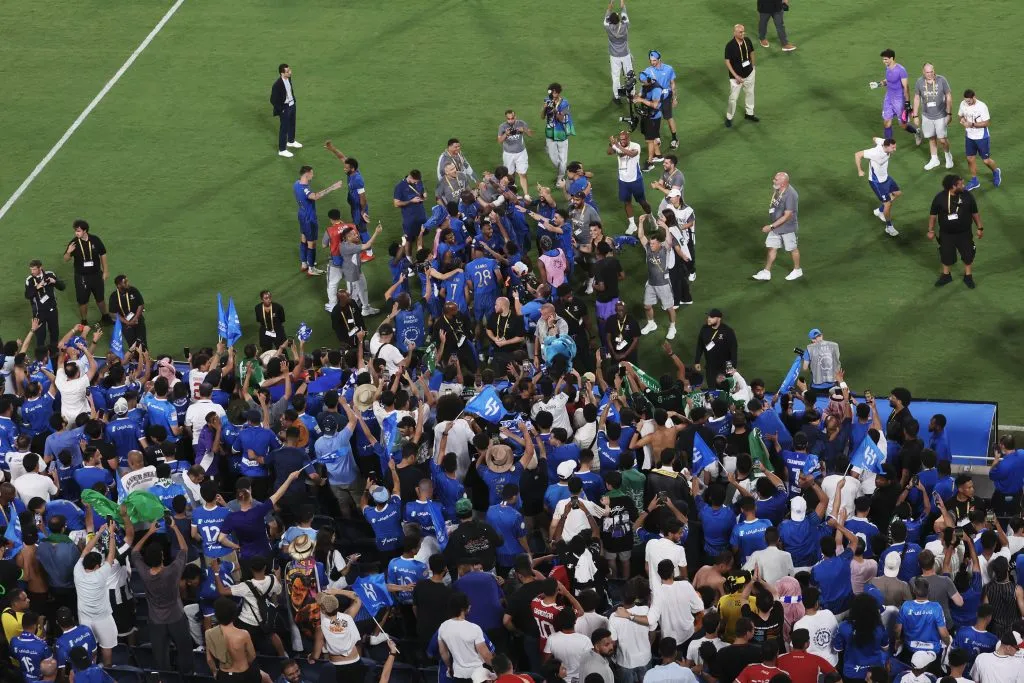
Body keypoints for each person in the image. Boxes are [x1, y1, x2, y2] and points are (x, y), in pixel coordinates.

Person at [131, 516, 195, 675]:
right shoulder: (172, 571)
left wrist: (149, 532)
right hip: (176, 617)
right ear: (162, 556)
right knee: (185, 652)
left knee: (161, 659)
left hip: (156, 620)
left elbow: (134, 552)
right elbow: (184, 549)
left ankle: (166, 679)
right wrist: (175, 528)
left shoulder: (145, 573)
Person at [74, 520, 119, 667]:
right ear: (97, 566)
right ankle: (107, 670)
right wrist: (111, 533)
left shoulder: (77, 570)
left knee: (90, 648)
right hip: (103, 618)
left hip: (85, 618)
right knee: (106, 647)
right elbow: (111, 555)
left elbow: (86, 550)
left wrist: (99, 533)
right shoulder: (101, 574)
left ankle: (91, 671)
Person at [927, 174, 983, 288]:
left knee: (968, 255)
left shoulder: (967, 196)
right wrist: (931, 230)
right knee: (946, 254)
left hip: (964, 233)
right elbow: (933, 215)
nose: (963, 185)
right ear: (953, 186)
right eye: (961, 184)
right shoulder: (940, 198)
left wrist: (980, 227)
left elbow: (974, 213)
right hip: (946, 234)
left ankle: (968, 276)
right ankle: (946, 275)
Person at [293, 166, 343, 276]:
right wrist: (332, 187)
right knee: (312, 243)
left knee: (303, 238)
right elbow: (314, 196)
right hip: (309, 218)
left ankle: (304, 263)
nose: (313, 175)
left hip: (301, 214)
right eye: (311, 173)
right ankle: (311, 268)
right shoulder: (305, 189)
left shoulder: (296, 184)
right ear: (306, 174)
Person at [753, 171, 802, 281]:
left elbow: (787, 216)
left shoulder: (791, 195)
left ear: (783, 183)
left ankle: (797, 270)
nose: (773, 181)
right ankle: (766, 272)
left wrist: (771, 227)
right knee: (772, 248)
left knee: (792, 249)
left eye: (776, 180)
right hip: (776, 226)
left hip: (787, 228)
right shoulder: (778, 189)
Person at [63, 220, 112, 326]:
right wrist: (68, 252)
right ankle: (84, 321)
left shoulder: (95, 240)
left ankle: (105, 316)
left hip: (96, 275)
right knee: (83, 301)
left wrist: (106, 271)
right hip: (81, 277)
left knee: (100, 298)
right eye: (75, 231)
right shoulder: (74, 243)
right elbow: (65, 259)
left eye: (78, 231)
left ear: (85, 231)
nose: (76, 233)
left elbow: (103, 254)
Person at [636, 214, 677, 341]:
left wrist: (665, 227)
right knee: (647, 306)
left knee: (669, 308)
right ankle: (651, 323)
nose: (651, 245)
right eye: (651, 243)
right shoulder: (648, 248)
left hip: (663, 284)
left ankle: (672, 327)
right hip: (651, 283)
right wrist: (641, 222)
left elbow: (669, 241)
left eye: (653, 243)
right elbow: (641, 236)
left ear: (659, 243)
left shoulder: (665, 250)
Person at [832, 593, 889, 681]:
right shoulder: (879, 628)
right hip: (875, 672)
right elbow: (885, 648)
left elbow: (837, 649)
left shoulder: (844, 627)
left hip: (852, 673)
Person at [439, 592, 493, 682]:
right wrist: (498, 671)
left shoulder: (443, 627)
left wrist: (449, 667)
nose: (470, 606)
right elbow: (486, 655)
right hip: (478, 675)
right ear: (464, 608)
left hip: (458, 675)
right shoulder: (474, 628)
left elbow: (443, 653)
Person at [205, 597, 262, 683]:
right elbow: (252, 655)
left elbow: (209, 659)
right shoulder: (243, 634)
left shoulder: (209, 633)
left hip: (224, 676)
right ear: (234, 614)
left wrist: (214, 672)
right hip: (244, 674)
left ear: (216, 615)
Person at [855, 137, 901, 237]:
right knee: (888, 205)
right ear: (887, 146)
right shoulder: (875, 153)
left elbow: (874, 138)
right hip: (877, 182)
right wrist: (860, 170)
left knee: (897, 193)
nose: (895, 150)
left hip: (886, 177)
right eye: (893, 148)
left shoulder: (883, 142)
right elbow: (857, 155)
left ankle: (879, 211)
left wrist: (876, 141)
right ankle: (889, 227)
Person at [869, 50, 920, 141]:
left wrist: (907, 103)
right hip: (888, 98)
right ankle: (888, 144)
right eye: (883, 59)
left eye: (886, 59)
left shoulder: (901, 70)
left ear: (892, 58)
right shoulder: (888, 68)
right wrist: (878, 84)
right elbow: (888, 81)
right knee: (887, 122)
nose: (884, 61)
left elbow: (906, 87)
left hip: (899, 100)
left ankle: (916, 132)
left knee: (903, 125)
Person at [912, 64, 954, 171]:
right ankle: (934, 159)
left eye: (931, 72)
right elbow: (917, 98)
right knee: (931, 138)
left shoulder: (941, 80)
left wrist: (949, 113)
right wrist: (915, 115)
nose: (930, 74)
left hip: (941, 115)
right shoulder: (919, 82)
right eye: (927, 72)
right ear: (923, 72)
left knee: (942, 139)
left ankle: (948, 156)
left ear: (934, 70)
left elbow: (948, 96)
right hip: (927, 115)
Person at [608, 130, 651, 235]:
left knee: (642, 202)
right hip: (623, 181)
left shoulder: (636, 146)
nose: (622, 141)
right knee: (627, 202)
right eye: (621, 139)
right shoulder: (618, 145)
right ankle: (632, 224)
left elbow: (631, 154)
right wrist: (611, 144)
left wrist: (618, 145)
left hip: (635, 180)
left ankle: (651, 217)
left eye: (624, 139)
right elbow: (609, 152)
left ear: (628, 138)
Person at [957, 89, 1001, 191]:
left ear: (974, 97)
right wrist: (962, 121)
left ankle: (996, 171)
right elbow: (960, 116)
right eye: (966, 101)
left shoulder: (982, 106)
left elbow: (986, 123)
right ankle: (974, 181)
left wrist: (971, 124)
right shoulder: (963, 104)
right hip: (969, 137)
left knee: (986, 160)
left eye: (969, 101)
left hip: (982, 137)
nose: (967, 103)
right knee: (970, 158)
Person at [25, 260, 65, 353]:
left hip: (52, 309)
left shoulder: (50, 274)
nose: (32, 272)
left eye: (34, 269)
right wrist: (36, 288)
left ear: (40, 268)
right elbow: (27, 295)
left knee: (54, 332)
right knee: (40, 335)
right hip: (39, 312)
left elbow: (62, 287)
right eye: (31, 269)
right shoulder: (29, 280)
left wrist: (54, 281)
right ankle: (41, 356)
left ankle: (54, 353)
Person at [724, 24, 758, 128]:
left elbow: (752, 52)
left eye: (743, 31)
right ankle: (729, 117)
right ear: (734, 32)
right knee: (733, 98)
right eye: (740, 32)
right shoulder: (730, 46)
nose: (742, 33)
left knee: (750, 93)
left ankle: (749, 113)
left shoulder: (747, 40)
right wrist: (736, 76)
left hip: (749, 74)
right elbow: (727, 62)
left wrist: (752, 66)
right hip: (736, 78)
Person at [633, 70, 665, 171]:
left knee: (649, 140)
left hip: (653, 118)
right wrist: (635, 97)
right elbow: (641, 94)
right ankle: (659, 156)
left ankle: (650, 162)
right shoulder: (646, 85)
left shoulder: (656, 89)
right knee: (652, 137)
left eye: (643, 82)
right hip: (647, 115)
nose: (642, 84)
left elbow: (655, 105)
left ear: (649, 80)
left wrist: (641, 100)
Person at [693, 308, 737, 381]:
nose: (709, 319)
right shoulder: (704, 329)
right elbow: (700, 345)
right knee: (712, 388)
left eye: (712, 317)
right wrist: (697, 361)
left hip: (725, 366)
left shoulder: (727, 331)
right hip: (710, 366)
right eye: (708, 317)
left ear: (719, 319)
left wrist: (733, 367)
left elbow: (733, 349)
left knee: (726, 388)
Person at [646, 50, 679, 150]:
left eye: (654, 60)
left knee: (669, 118)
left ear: (659, 59)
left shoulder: (669, 69)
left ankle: (674, 139)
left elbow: (672, 83)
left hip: (666, 97)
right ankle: (657, 137)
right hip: (655, 98)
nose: (652, 62)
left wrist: (674, 98)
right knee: (655, 119)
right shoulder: (648, 71)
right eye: (651, 60)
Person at [543, 84, 574, 184]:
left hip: (561, 134)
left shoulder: (565, 104)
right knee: (553, 158)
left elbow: (562, 118)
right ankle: (565, 170)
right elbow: (542, 117)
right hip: (550, 134)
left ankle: (560, 178)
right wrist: (544, 108)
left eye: (555, 92)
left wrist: (556, 110)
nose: (553, 94)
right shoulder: (547, 100)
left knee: (563, 160)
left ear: (559, 93)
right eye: (552, 92)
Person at [604, 0, 632, 103]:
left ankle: (617, 97)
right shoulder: (625, 25)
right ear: (619, 19)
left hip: (614, 56)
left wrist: (611, 2)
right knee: (629, 74)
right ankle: (631, 96)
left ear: (610, 21)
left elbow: (608, 13)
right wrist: (621, 1)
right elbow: (623, 9)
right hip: (625, 54)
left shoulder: (607, 26)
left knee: (616, 76)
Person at [270, 64, 301, 157]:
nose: (290, 72)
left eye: (289, 70)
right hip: (285, 108)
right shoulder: (277, 84)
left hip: (292, 104)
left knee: (292, 123)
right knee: (284, 129)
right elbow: (272, 100)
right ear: (282, 73)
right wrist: (281, 110)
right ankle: (282, 150)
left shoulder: (289, 79)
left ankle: (291, 141)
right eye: (287, 71)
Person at [107, 275, 146, 347]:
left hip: (138, 320)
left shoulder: (133, 290)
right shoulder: (114, 296)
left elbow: (141, 305)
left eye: (127, 281)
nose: (127, 283)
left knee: (142, 342)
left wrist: (135, 318)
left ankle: (145, 357)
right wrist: (127, 322)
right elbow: (113, 313)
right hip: (125, 324)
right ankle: (134, 358)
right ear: (118, 285)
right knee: (132, 345)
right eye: (125, 282)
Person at [498, 110, 533, 190]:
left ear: (515, 117)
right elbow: (499, 141)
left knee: (522, 174)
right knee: (510, 174)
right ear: (506, 118)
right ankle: (512, 187)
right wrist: (505, 134)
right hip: (508, 154)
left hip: (521, 153)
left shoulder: (521, 123)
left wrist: (524, 130)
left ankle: (526, 194)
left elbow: (531, 134)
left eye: (512, 118)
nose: (510, 120)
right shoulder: (502, 126)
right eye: (508, 119)